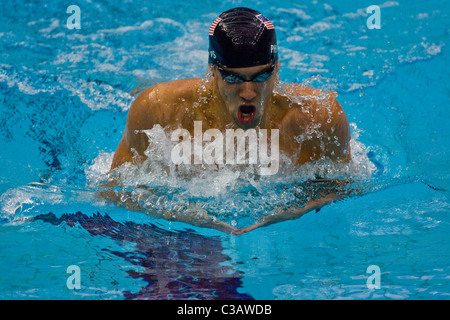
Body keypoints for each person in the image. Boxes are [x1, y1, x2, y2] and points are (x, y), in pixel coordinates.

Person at [109, 7, 352, 235]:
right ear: (212, 70)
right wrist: (181, 215)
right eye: (233, 78)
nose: (248, 92)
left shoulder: (318, 118)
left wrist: (298, 210)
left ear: (277, 68)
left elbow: (347, 184)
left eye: (262, 75)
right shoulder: (158, 110)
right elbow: (112, 189)